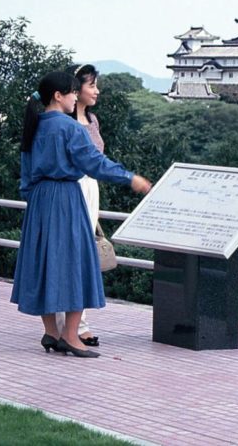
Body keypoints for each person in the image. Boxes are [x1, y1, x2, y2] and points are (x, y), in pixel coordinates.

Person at [10, 71, 151, 358]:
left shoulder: (33, 126)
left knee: (45, 262)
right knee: (76, 263)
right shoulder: (69, 127)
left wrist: (37, 199)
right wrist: (130, 178)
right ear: (58, 96)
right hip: (65, 198)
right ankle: (71, 337)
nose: (76, 97)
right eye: (73, 92)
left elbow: (25, 177)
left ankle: (51, 332)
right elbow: (94, 162)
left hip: (39, 201)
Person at [55, 63, 107, 347]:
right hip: (71, 187)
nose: (96, 91)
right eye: (91, 85)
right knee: (71, 253)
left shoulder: (93, 120)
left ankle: (75, 323)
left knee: (83, 254)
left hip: (90, 188)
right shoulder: (63, 122)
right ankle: (73, 326)